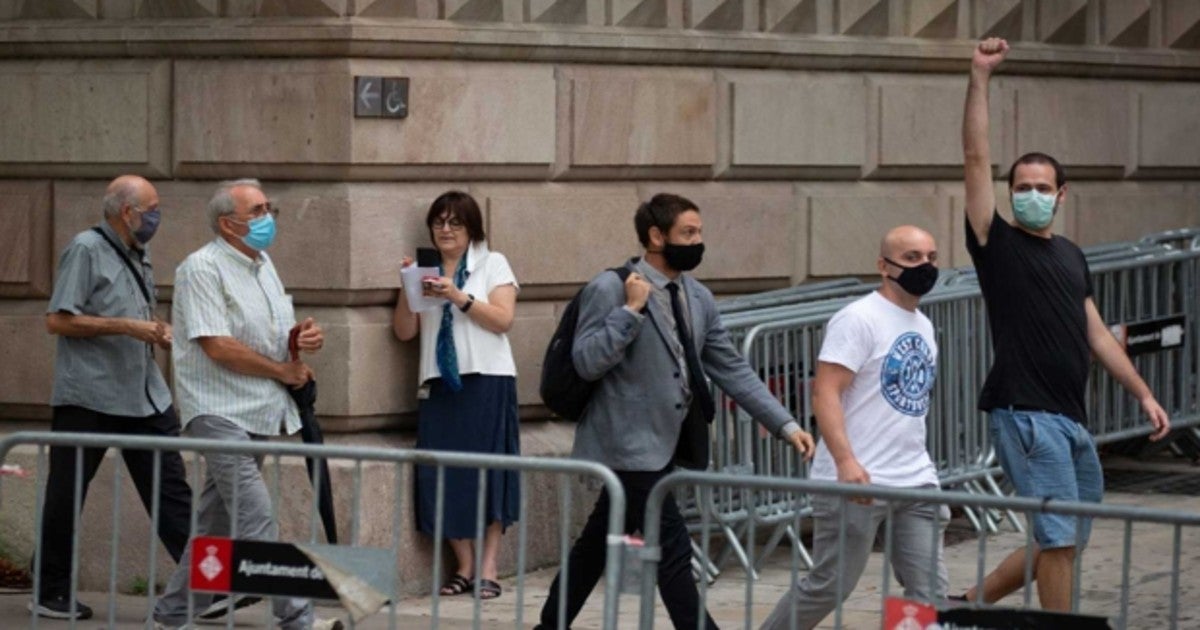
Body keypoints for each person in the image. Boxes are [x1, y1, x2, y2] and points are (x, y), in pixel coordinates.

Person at [535, 193, 816, 630]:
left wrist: (784, 423)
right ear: (655, 235)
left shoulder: (696, 296)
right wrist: (630, 312)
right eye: (688, 233)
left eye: (699, 232)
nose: (697, 241)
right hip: (623, 445)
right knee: (672, 548)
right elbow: (587, 360)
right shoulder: (610, 287)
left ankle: (549, 625)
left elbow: (732, 367)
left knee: (594, 546)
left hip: (666, 444)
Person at [959, 38, 1171, 610]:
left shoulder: (1072, 256)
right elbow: (976, 159)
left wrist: (1143, 393)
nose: (1030, 196)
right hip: (1025, 416)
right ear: (1009, 194)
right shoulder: (995, 242)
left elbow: (1096, 334)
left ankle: (967, 605)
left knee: (1066, 538)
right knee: (1057, 539)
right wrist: (980, 77)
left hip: (1072, 422)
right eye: (1020, 188)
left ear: (1061, 196)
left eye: (1041, 188)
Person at [151, 179, 342, 630]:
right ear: (227, 224)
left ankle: (168, 617)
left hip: (257, 409)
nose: (267, 217)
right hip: (217, 413)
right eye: (257, 211)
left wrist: (300, 339)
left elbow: (273, 333)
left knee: (213, 529)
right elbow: (216, 345)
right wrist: (281, 371)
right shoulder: (201, 269)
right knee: (257, 518)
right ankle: (298, 620)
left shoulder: (263, 264)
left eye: (266, 207)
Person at [761, 226, 948, 630]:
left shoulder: (924, 325)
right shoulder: (857, 319)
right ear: (884, 266)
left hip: (915, 481)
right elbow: (825, 393)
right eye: (913, 257)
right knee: (830, 585)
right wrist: (846, 462)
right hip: (857, 482)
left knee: (928, 593)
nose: (926, 266)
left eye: (932, 257)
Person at [32, 175, 193, 620]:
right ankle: (50, 590)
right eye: (153, 208)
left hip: (143, 395)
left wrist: (153, 331)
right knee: (67, 494)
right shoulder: (85, 249)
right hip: (90, 395)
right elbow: (58, 321)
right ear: (128, 212)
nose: (158, 216)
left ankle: (210, 583)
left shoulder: (137, 253)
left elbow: (133, 311)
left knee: (172, 491)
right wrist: (126, 326)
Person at [392, 191, 521, 600]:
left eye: (455, 223)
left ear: (472, 228)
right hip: (439, 380)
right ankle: (462, 563)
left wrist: (457, 295)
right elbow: (405, 332)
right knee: (440, 472)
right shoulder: (426, 267)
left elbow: (502, 319)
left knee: (489, 470)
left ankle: (488, 566)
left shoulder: (492, 262)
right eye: (439, 222)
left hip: (486, 376)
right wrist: (406, 287)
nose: (445, 230)